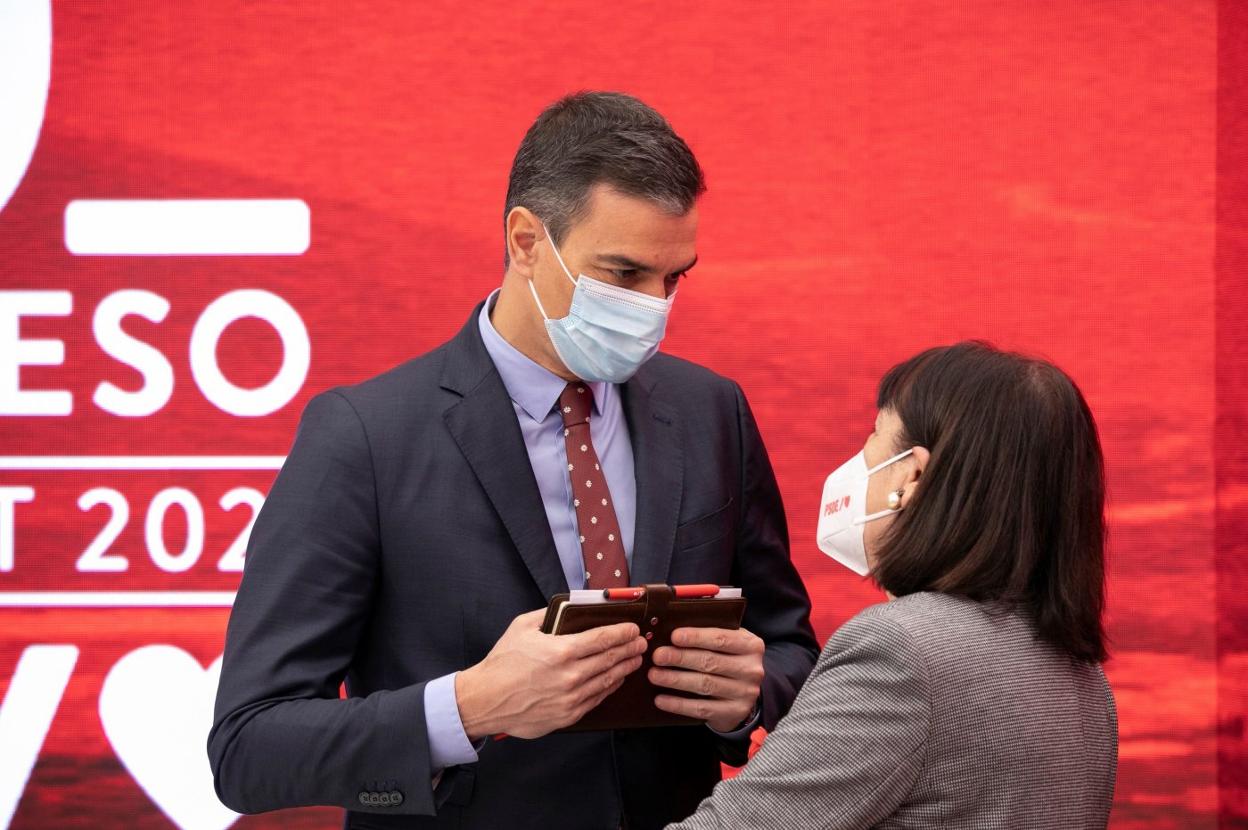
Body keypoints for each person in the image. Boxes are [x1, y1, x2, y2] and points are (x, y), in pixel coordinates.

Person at [207, 91, 819, 830]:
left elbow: (792, 650)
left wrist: (755, 691)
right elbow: (250, 746)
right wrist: (469, 708)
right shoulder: (364, 437)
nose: (654, 308)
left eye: (674, 278)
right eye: (624, 275)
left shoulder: (709, 410)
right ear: (526, 241)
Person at [668, 342, 1118, 830]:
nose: (856, 462)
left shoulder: (902, 651)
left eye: (875, 435)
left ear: (913, 475)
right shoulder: (1082, 675)